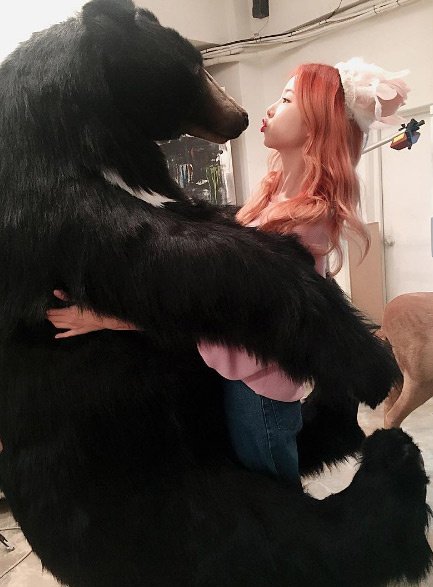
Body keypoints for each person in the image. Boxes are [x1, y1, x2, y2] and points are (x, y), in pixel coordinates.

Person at [47, 57, 409, 483]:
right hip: (242, 378)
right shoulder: (273, 203)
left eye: (287, 99)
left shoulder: (304, 221)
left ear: (316, 124)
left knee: (273, 499)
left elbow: (215, 309)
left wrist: (106, 319)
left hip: (259, 392)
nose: (271, 108)